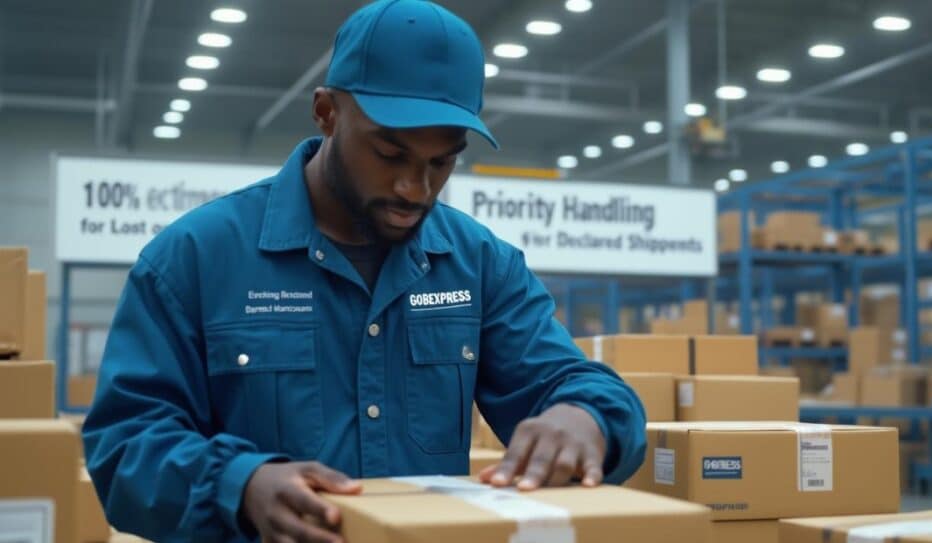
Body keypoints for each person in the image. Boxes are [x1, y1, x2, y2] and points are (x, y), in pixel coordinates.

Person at [83, 1, 646, 541]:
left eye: (442, 161)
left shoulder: (477, 265)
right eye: (390, 154)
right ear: (327, 112)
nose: (414, 189)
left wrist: (584, 416)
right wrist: (242, 484)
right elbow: (125, 445)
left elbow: (574, 383)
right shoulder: (197, 258)